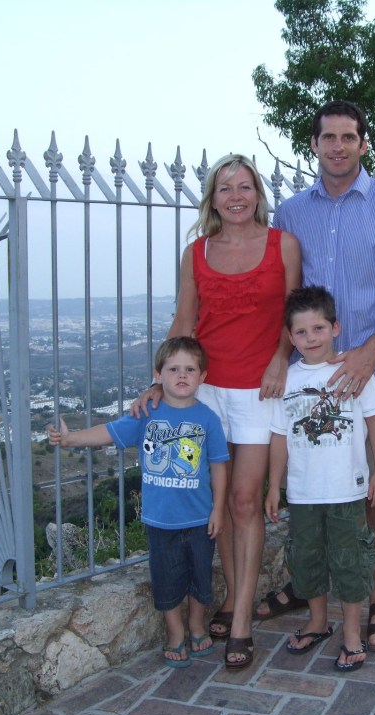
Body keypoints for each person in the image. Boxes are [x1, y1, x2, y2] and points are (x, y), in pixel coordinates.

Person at [256, 100, 375, 653]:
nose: (337, 146)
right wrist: (281, 357)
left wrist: (366, 354)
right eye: (327, 137)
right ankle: (312, 590)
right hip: (307, 379)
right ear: (314, 144)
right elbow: (281, 298)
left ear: (362, 143)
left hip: (371, 376)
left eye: (348, 137)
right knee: (309, 484)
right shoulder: (289, 213)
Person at [131, 154, 301, 669]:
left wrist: (280, 359)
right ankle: (232, 597)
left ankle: (242, 619)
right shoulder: (197, 253)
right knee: (223, 504)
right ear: (212, 198)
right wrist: (159, 381)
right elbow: (184, 320)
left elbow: (293, 313)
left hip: (259, 389)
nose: (235, 195)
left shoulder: (283, 245)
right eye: (225, 187)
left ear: (257, 194)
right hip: (204, 393)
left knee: (247, 501)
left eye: (244, 186)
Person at [47, 337, 228, 669]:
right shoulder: (147, 413)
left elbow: (218, 465)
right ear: (158, 375)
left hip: (200, 517)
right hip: (160, 520)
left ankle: (197, 626)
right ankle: (175, 633)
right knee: (167, 579)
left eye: (190, 369)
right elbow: (109, 432)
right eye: (174, 369)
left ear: (202, 376)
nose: (182, 375)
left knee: (200, 577)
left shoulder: (208, 419)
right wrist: (71, 438)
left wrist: (217, 509)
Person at [265, 286, 375, 672]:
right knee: (308, 560)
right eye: (301, 333)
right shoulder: (287, 379)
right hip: (302, 493)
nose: (311, 338)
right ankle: (319, 621)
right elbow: (279, 437)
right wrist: (274, 485)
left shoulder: (354, 371)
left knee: (350, 562)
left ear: (335, 327)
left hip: (346, 490)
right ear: (290, 337)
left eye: (318, 328)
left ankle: (351, 632)